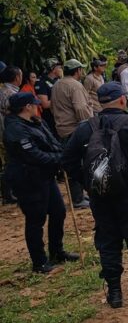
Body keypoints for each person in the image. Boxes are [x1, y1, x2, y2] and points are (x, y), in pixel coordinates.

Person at [62, 82, 128, 308]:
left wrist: (88, 183)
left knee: (108, 240)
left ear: (100, 103)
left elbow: (68, 160)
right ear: (122, 100)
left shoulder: (85, 128)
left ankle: (114, 293)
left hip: (100, 197)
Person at [3, 92, 78, 273]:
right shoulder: (15, 129)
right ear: (26, 107)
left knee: (58, 211)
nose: (37, 106)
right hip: (28, 179)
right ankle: (39, 262)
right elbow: (32, 155)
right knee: (36, 219)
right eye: (33, 104)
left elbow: (53, 143)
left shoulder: (36, 122)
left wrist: (63, 155)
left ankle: (57, 252)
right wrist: (58, 159)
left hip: (45, 176)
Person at [51, 59, 92, 209]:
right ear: (78, 71)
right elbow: (81, 108)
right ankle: (78, 199)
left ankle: (79, 196)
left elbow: (53, 107)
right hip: (75, 130)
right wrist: (88, 126)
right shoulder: (75, 86)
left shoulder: (57, 85)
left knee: (72, 163)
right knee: (79, 164)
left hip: (62, 129)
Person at [0, 65, 22, 205]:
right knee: (11, 161)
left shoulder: (2, 90)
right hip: (9, 132)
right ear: (16, 78)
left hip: (4, 131)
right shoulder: (12, 94)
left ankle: (8, 193)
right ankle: (9, 193)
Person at [35, 58, 62, 135]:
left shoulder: (57, 80)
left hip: (59, 118)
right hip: (49, 120)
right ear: (53, 69)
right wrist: (62, 99)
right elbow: (44, 104)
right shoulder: (41, 82)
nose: (61, 69)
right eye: (59, 68)